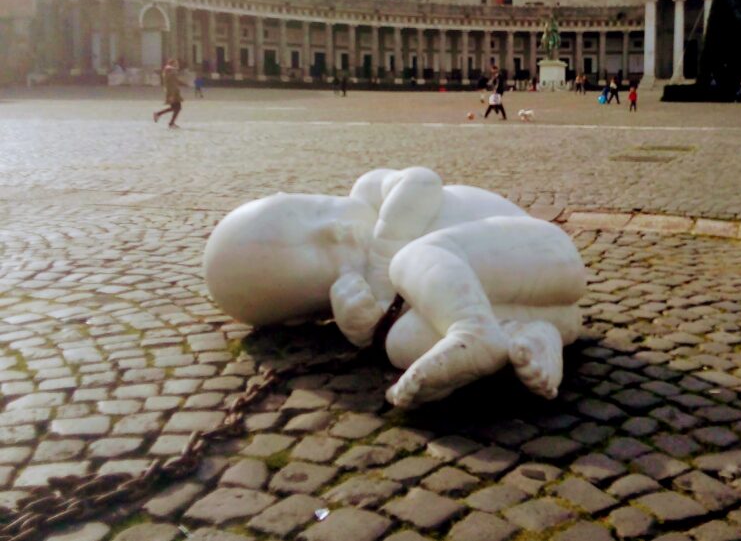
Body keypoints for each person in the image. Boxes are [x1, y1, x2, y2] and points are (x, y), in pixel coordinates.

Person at [203, 167, 586, 407]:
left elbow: (423, 181)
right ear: (308, 314)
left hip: (544, 252)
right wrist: (370, 330)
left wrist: (384, 258)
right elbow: (404, 310)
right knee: (402, 342)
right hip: (546, 303)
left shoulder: (371, 193)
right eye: (320, 254)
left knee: (413, 258)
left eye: (314, 210)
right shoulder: (364, 295)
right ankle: (534, 334)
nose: (333, 229)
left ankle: (476, 332)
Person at [153, 59, 184, 128]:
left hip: (172, 92)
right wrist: (172, 95)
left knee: (176, 108)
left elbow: (173, 81)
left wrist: (183, 83)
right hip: (173, 92)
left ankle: (165, 119)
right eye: (176, 63)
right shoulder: (171, 71)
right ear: (172, 64)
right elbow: (172, 83)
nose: (177, 65)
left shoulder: (169, 71)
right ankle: (168, 121)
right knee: (177, 107)